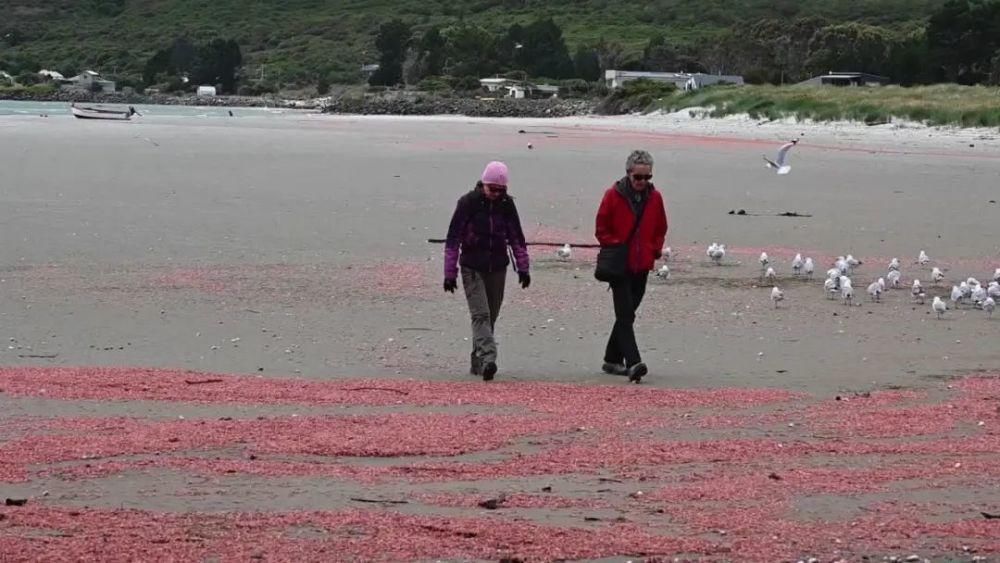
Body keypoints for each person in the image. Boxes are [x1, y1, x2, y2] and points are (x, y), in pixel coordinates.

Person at [443, 161, 531, 381]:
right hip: (472, 267)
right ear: (483, 184)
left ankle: (478, 360)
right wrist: (449, 273)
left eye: (501, 190)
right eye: (492, 189)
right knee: (480, 314)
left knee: (490, 316)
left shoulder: (507, 205)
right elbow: (453, 239)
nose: (495, 194)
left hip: (498, 267)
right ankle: (490, 358)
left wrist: (523, 268)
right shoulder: (467, 203)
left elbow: (516, 237)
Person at [594, 150, 668, 383]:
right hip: (619, 265)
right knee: (625, 315)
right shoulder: (612, 195)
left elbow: (660, 228)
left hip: (643, 264)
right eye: (639, 177)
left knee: (628, 313)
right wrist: (616, 245)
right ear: (628, 174)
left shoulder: (655, 198)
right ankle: (634, 362)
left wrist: (654, 250)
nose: (643, 182)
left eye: (647, 177)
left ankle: (611, 358)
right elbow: (601, 228)